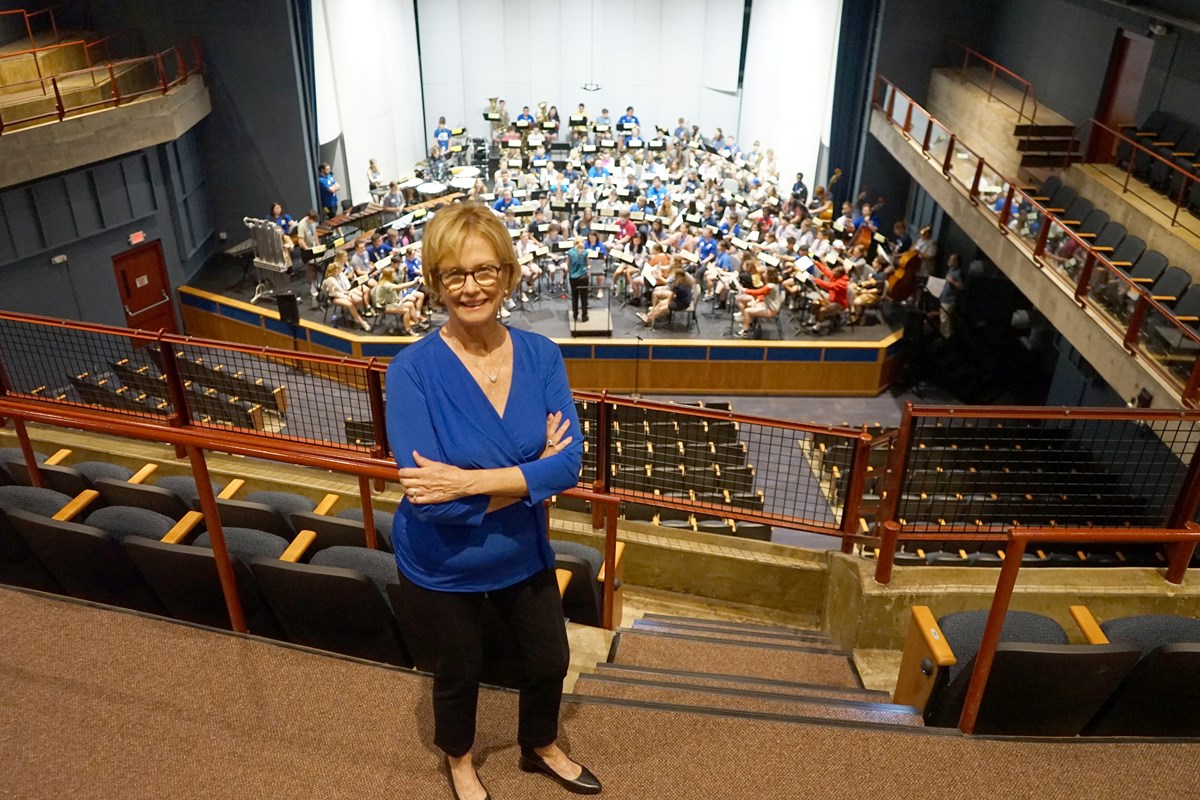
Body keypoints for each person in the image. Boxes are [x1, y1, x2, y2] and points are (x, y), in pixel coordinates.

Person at [385, 201, 599, 800]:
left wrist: (470, 480)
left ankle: (541, 744)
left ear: (506, 275)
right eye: (454, 274)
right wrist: (531, 476)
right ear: (435, 283)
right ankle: (459, 760)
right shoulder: (411, 372)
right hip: (441, 560)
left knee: (548, 659)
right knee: (459, 672)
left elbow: (570, 463)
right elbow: (432, 503)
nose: (470, 286)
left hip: (520, 551)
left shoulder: (540, 355)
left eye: (483, 271)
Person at [322, 255, 371, 332]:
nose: (341, 270)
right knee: (349, 304)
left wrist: (349, 293)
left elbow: (347, 285)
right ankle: (361, 322)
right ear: (335, 270)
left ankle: (352, 315)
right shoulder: (329, 280)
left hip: (344, 292)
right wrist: (345, 296)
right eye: (340, 269)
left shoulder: (341, 274)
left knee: (360, 299)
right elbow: (333, 293)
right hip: (335, 297)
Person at [567, 235, 590, 323]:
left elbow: (568, 264)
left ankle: (575, 315)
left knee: (574, 297)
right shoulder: (585, 252)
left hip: (573, 277)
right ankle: (584, 316)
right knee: (584, 297)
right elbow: (587, 265)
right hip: (583, 277)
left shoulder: (570, 252)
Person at [940, 253, 963, 338]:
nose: (949, 261)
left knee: (945, 319)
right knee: (944, 318)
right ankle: (945, 334)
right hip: (944, 297)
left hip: (949, 300)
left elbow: (961, 287)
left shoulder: (958, 273)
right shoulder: (951, 269)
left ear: (957, 262)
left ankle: (946, 336)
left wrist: (952, 281)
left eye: (952, 260)